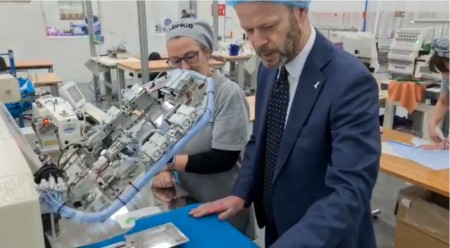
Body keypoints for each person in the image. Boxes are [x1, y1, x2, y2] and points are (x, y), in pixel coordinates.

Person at [189, 1, 381, 247]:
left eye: (268, 27)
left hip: (324, 237)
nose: (257, 43)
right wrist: (241, 193)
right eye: (248, 31)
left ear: (300, 12)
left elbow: (350, 189)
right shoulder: (271, 68)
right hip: (278, 226)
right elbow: (262, 139)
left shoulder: (350, 82)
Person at [151, 18, 255, 239]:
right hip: (189, 199)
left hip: (224, 206)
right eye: (176, 60)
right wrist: (162, 169)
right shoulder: (178, 94)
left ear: (207, 51)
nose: (185, 67)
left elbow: (223, 158)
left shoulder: (227, 93)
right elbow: (162, 139)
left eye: (191, 56)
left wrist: (166, 162)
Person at [422, 38, 449, 150]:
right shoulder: (447, 76)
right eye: (442, 71)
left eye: (447, 71)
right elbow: (444, 101)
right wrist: (432, 123)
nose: (445, 76)